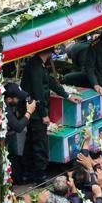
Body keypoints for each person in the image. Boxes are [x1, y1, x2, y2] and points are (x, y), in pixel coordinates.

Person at [21, 49, 81, 184]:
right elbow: (38, 93)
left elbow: (50, 82)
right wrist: (44, 114)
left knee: (31, 141)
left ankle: (27, 173)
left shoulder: (38, 64)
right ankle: (40, 176)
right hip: (36, 112)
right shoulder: (35, 66)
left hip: (34, 110)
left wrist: (68, 96)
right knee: (39, 143)